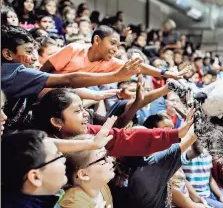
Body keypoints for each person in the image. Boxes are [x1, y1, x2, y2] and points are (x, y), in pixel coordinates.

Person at [1, 25, 142, 132]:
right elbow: (69, 80)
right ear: (7, 54)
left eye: (35, 52)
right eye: (29, 51)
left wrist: (95, 95)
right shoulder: (15, 73)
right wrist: (115, 76)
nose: (34, 58)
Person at [1, 118, 120, 208]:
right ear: (35, 177)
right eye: (57, 156)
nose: (64, 159)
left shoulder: (48, 197)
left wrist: (91, 144)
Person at [31, 88, 194, 158]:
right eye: (77, 111)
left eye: (84, 107)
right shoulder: (38, 145)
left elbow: (125, 136)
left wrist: (176, 134)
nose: (86, 113)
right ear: (56, 121)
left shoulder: (90, 130)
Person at [41, 25, 190, 81]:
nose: (115, 49)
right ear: (97, 40)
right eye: (112, 43)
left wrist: (167, 73)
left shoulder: (110, 62)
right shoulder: (73, 49)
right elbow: (44, 70)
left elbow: (139, 67)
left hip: (66, 97)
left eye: (118, 45)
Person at [59, 134, 122, 208]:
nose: (111, 160)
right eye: (103, 158)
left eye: (108, 155)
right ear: (84, 174)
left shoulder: (102, 187)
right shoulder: (74, 205)